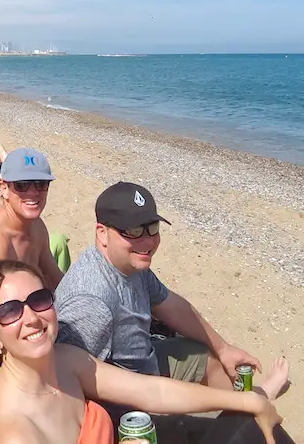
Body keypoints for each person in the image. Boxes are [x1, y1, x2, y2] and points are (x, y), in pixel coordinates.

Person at [0, 260, 304, 444]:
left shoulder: (65, 360)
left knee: (243, 418)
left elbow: (153, 391)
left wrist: (251, 400)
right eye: (9, 310)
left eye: (38, 300)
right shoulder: (18, 429)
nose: (31, 317)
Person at [55, 182, 263, 425]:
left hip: (146, 360)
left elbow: (169, 304)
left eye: (152, 228)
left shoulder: (131, 263)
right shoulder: (91, 302)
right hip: (127, 403)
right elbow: (67, 383)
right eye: (133, 231)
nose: (147, 241)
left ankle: (240, 419)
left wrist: (224, 348)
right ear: (102, 232)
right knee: (190, 429)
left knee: (211, 359)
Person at [0, 148, 66, 291]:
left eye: (41, 184)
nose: (33, 192)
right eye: (22, 185)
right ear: (4, 189)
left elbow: (54, 276)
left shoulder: (37, 226)